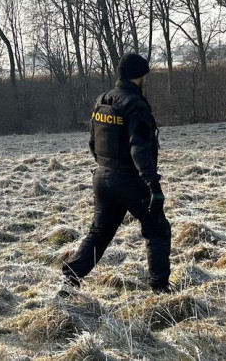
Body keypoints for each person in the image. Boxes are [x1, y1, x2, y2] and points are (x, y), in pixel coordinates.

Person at [60, 53, 172, 297]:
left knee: (99, 234)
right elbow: (139, 147)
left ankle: (69, 281)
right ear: (141, 76)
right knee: (158, 229)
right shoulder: (135, 104)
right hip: (129, 179)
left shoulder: (103, 100)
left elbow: (93, 142)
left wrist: (106, 167)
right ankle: (160, 289)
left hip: (102, 176)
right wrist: (153, 184)